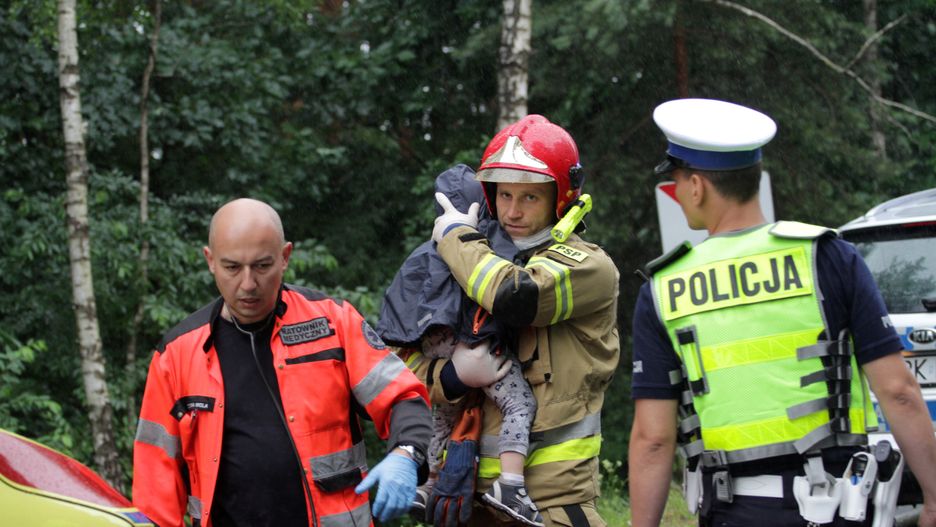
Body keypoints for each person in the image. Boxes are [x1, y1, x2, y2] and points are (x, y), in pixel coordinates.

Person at [628, 98, 936, 527]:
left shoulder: (663, 289)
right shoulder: (828, 257)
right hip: (839, 508)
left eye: (678, 181)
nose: (678, 193)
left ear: (696, 186)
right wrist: (935, 499)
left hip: (733, 512)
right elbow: (898, 391)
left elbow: (653, 440)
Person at [132, 198, 432, 527]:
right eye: (232, 267)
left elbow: (404, 397)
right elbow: (155, 483)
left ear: (285, 257)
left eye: (262, 266)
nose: (248, 284)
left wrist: (405, 454)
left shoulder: (333, 323)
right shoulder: (177, 355)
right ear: (210, 261)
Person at [396, 115, 621, 526]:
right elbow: (399, 359)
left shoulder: (588, 266)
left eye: (530, 198)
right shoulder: (469, 263)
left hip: (551, 505)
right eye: (504, 196)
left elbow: (514, 297)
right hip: (464, 499)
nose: (512, 211)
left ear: (560, 198)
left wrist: (454, 239)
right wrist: (450, 377)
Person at [377, 164, 542, 526]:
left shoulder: (423, 252)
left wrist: (430, 352)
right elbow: (505, 289)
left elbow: (399, 306)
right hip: (474, 341)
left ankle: (428, 485)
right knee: (518, 401)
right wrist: (456, 371)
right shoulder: (483, 242)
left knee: (442, 418)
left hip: (431, 342)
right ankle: (512, 484)